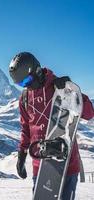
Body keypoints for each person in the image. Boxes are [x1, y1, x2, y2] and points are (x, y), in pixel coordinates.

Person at [9, 52, 94, 200]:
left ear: (37, 70)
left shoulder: (60, 87)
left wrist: (73, 92)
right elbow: (26, 129)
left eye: (27, 81)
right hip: (40, 167)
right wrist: (21, 155)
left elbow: (89, 113)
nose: (26, 87)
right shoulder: (24, 98)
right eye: (21, 84)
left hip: (67, 164)